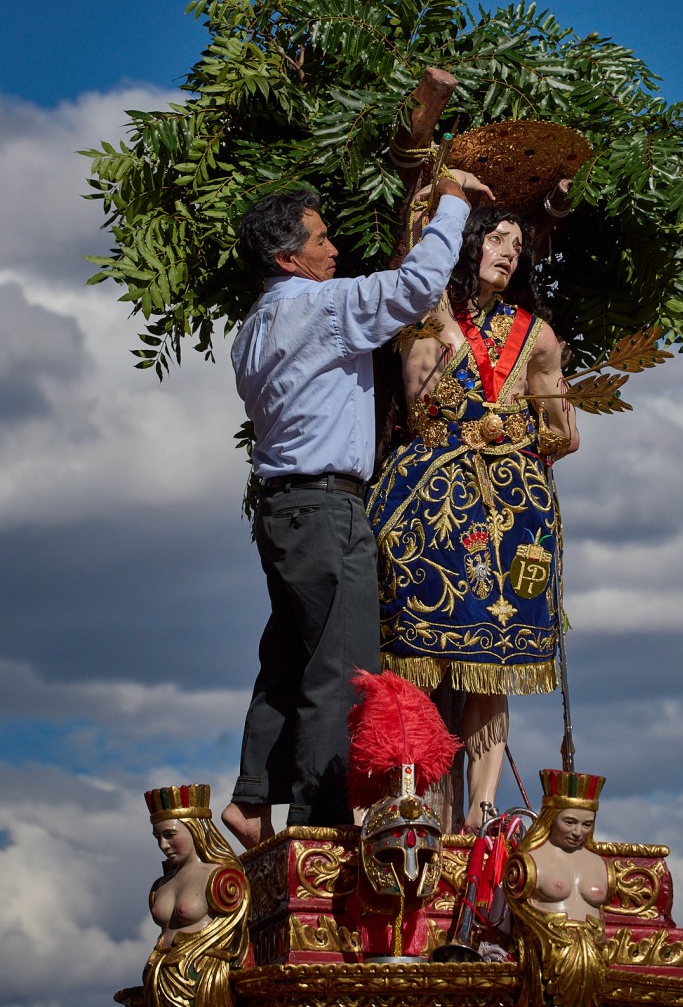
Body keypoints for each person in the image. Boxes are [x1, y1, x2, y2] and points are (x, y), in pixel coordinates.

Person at [221, 175, 479, 849]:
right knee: (341, 666)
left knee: (289, 656)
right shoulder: (323, 308)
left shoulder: (251, 330)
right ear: (289, 259)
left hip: (282, 509)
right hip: (327, 507)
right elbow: (417, 287)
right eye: (321, 239)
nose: (334, 249)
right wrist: (453, 202)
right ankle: (320, 826)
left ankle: (253, 795)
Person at [367, 204, 579, 831]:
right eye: (496, 238)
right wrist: (451, 344)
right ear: (467, 244)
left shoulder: (537, 335)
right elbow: (420, 407)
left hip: (512, 507)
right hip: (434, 496)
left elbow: (564, 433)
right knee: (416, 649)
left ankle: (483, 808)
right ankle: (408, 789)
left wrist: (535, 426)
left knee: (496, 658)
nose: (508, 251)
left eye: (517, 244)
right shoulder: (426, 316)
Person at [502, 770, 609, 1007]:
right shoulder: (529, 861)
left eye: (587, 824)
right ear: (551, 817)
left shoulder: (601, 864)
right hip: (547, 965)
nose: (578, 832)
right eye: (569, 822)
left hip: (595, 965)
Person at [144, 783, 250, 1007]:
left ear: (195, 829)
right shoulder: (160, 885)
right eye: (157, 837)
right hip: (158, 980)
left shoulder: (221, 877)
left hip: (202, 978)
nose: (163, 845)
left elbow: (238, 938)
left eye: (170, 835)